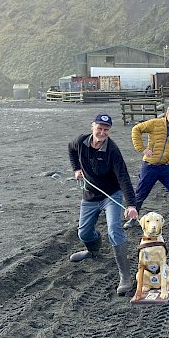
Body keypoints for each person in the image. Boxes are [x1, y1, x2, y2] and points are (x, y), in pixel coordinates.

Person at [67, 114, 138, 296]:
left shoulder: (112, 150)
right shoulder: (81, 141)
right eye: (99, 128)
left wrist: (131, 205)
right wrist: (76, 169)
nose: (102, 132)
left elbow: (123, 177)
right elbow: (70, 149)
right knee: (83, 233)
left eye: (106, 129)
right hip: (90, 195)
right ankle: (93, 250)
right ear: (92, 127)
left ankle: (126, 277)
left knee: (114, 229)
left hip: (111, 195)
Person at [125, 105, 169, 232]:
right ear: (166, 114)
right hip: (149, 166)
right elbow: (136, 129)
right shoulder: (155, 123)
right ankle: (133, 219)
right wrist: (142, 149)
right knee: (141, 193)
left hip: (165, 167)